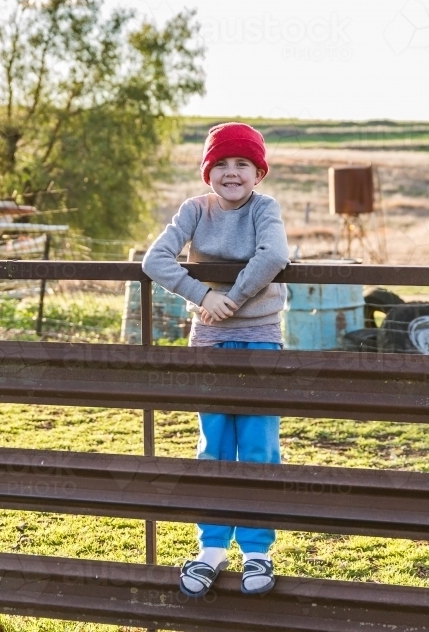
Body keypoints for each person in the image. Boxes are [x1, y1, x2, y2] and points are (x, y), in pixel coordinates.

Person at [141, 122, 290, 597]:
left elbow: (273, 256)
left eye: (242, 163)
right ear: (207, 172)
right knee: (214, 445)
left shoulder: (265, 210)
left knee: (259, 443)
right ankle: (211, 547)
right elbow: (155, 259)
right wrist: (203, 295)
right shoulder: (194, 210)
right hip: (208, 341)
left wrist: (234, 298)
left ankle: (257, 551)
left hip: (260, 339)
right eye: (220, 164)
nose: (231, 172)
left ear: (258, 172)